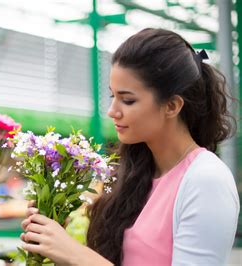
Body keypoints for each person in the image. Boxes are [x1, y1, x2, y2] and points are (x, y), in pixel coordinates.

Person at [20, 28, 240, 265]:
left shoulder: (206, 180)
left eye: (127, 100)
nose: (112, 111)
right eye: (112, 96)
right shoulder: (136, 172)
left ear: (172, 105)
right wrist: (55, 244)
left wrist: (76, 254)